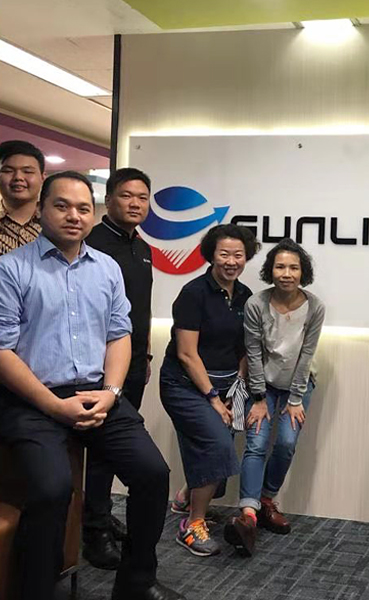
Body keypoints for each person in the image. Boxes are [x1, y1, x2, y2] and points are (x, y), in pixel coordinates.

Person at [0, 171, 182, 600]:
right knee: (52, 489)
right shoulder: (11, 268)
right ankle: (37, 589)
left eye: (83, 208)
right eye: (62, 206)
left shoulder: (107, 268)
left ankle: (136, 582)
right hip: (32, 399)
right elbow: (2, 349)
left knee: (153, 474)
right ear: (41, 210)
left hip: (97, 392)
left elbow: (119, 335)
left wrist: (111, 392)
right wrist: (53, 405)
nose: (74, 216)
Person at [160, 223, 260, 557]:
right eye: (224, 254)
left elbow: (244, 347)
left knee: (220, 445)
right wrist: (214, 399)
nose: (231, 261)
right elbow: (187, 354)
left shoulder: (244, 295)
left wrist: (236, 388)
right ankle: (192, 524)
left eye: (238, 255)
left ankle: (185, 497)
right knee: (216, 445)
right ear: (211, 256)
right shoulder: (194, 293)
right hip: (185, 385)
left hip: (226, 385)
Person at [224, 238, 325, 557]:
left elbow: (307, 355)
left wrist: (295, 399)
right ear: (271, 270)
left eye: (294, 267)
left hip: (298, 384)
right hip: (263, 385)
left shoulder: (315, 306)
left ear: (303, 272)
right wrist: (257, 397)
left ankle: (267, 499)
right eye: (280, 267)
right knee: (256, 443)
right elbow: (253, 352)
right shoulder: (256, 303)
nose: (287, 273)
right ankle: (249, 514)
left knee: (286, 442)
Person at [81, 167, 155, 569]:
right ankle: (93, 530)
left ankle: (101, 514)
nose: (135, 204)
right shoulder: (92, 244)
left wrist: (146, 355)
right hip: (100, 367)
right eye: (126, 196)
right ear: (108, 200)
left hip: (135, 362)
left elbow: (141, 310)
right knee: (102, 451)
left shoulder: (142, 248)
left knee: (114, 450)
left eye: (142, 197)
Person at [0, 140, 44, 255]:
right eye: (8, 171)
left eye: (27, 171)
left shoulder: (55, 222)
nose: (18, 177)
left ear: (42, 177)